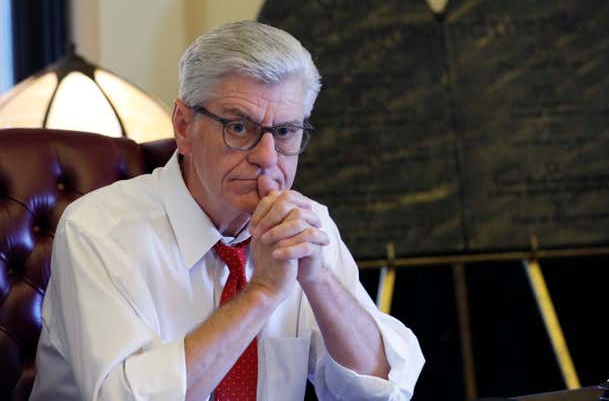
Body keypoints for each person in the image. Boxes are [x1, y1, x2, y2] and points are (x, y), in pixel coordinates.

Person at [29, 21, 424, 401]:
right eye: (239, 128)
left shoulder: (306, 226)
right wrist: (262, 294)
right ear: (183, 127)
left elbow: (385, 389)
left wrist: (318, 278)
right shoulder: (99, 230)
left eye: (285, 132)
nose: (267, 157)